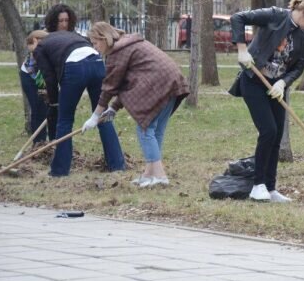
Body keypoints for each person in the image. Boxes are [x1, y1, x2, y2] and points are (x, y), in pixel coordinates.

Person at [228, 0, 304, 203]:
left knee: (277, 135)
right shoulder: (275, 16)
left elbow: (299, 65)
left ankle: (270, 188)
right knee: (268, 131)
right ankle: (257, 185)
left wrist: (283, 83)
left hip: (275, 87)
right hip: (254, 81)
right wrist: (242, 49)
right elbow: (238, 17)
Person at [82, 22, 190, 188]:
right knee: (155, 130)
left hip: (160, 85)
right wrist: (113, 108)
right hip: (173, 82)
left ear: (104, 38)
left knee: (145, 129)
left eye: (95, 43)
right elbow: (125, 83)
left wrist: (95, 116)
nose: (95, 48)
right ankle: (150, 173)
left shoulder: (117, 52)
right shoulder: (128, 43)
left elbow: (110, 87)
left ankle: (160, 176)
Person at [34, 27, 125, 177]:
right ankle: (117, 165)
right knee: (102, 115)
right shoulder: (71, 35)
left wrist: (54, 103)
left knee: (65, 120)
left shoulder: (41, 48)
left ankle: (59, 171)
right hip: (96, 62)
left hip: (74, 67)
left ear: (37, 40)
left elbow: (49, 78)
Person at [20, 30, 55, 145]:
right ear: (35, 41)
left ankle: (50, 141)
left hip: (41, 78)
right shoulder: (34, 52)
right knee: (37, 108)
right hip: (30, 78)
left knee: (46, 108)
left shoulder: (45, 47)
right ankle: (38, 142)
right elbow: (36, 71)